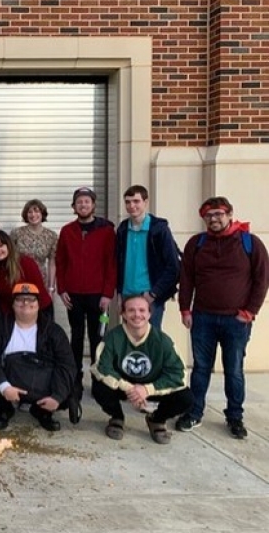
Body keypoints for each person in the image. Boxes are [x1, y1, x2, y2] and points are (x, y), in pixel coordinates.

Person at [176, 196, 269, 439]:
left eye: (218, 214)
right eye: (209, 215)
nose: (214, 219)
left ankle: (235, 417)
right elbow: (186, 279)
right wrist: (185, 309)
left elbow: (262, 279)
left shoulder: (250, 243)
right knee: (200, 369)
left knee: (234, 370)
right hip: (203, 318)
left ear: (229, 214)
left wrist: (249, 312)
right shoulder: (197, 244)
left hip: (236, 321)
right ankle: (194, 412)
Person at [91, 295, 193, 444]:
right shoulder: (113, 337)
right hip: (124, 387)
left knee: (186, 398)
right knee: (99, 387)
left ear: (149, 314)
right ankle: (117, 417)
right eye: (131, 310)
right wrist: (130, 388)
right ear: (123, 314)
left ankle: (157, 420)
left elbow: (179, 374)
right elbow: (101, 367)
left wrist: (147, 389)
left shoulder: (162, 341)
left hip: (152, 387)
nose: (137, 314)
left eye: (142, 310)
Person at [0, 283, 76, 432]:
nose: (25, 303)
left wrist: (57, 396)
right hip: (10, 384)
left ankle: (43, 411)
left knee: (72, 387)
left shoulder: (54, 331)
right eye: (20, 299)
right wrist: (4, 387)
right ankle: (4, 410)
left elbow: (66, 364)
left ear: (38, 304)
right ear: (13, 304)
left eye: (31, 299)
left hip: (41, 386)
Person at [56, 186, 116, 399]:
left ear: (93, 205)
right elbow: (60, 261)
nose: (83, 205)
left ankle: (99, 381)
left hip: (98, 296)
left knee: (98, 337)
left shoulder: (107, 230)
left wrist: (108, 293)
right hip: (74, 295)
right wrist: (61, 289)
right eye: (79, 202)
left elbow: (111, 263)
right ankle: (75, 381)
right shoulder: (67, 231)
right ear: (74, 207)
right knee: (77, 337)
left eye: (87, 201)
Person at [115, 185, 180, 330]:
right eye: (128, 202)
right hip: (127, 295)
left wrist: (154, 293)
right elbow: (118, 263)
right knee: (130, 341)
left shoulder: (159, 229)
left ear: (145, 202)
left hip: (149, 297)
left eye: (136, 201)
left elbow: (173, 267)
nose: (132, 206)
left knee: (151, 342)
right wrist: (119, 293)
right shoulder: (123, 229)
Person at [0, 230, 52, 319]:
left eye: (1, 245)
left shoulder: (25, 262)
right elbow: (3, 299)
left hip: (39, 310)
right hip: (13, 315)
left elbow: (38, 291)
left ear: (8, 246)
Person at [10, 199, 58, 299]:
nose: (33, 215)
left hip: (41, 280)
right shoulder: (16, 233)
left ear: (42, 214)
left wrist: (51, 287)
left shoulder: (51, 236)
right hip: (20, 279)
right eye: (30, 212)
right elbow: (10, 258)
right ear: (26, 215)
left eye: (36, 211)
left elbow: (52, 263)